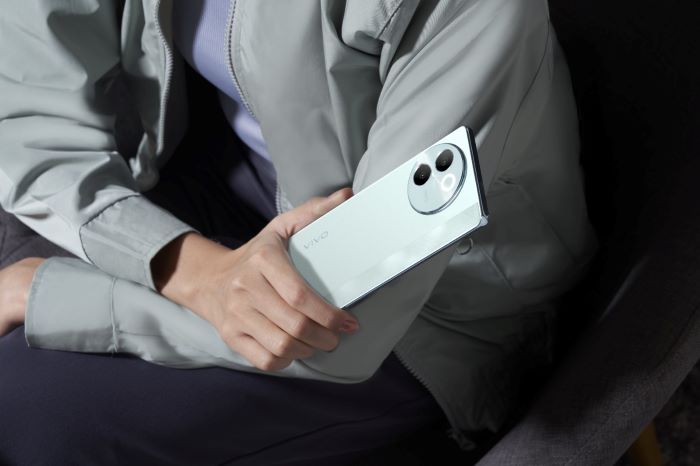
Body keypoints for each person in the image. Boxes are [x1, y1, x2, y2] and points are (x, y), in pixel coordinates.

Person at [0, 0, 597, 464]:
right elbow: (29, 109)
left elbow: (340, 307)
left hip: (427, 313)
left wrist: (53, 292)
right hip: (229, 164)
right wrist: (192, 269)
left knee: (24, 421)